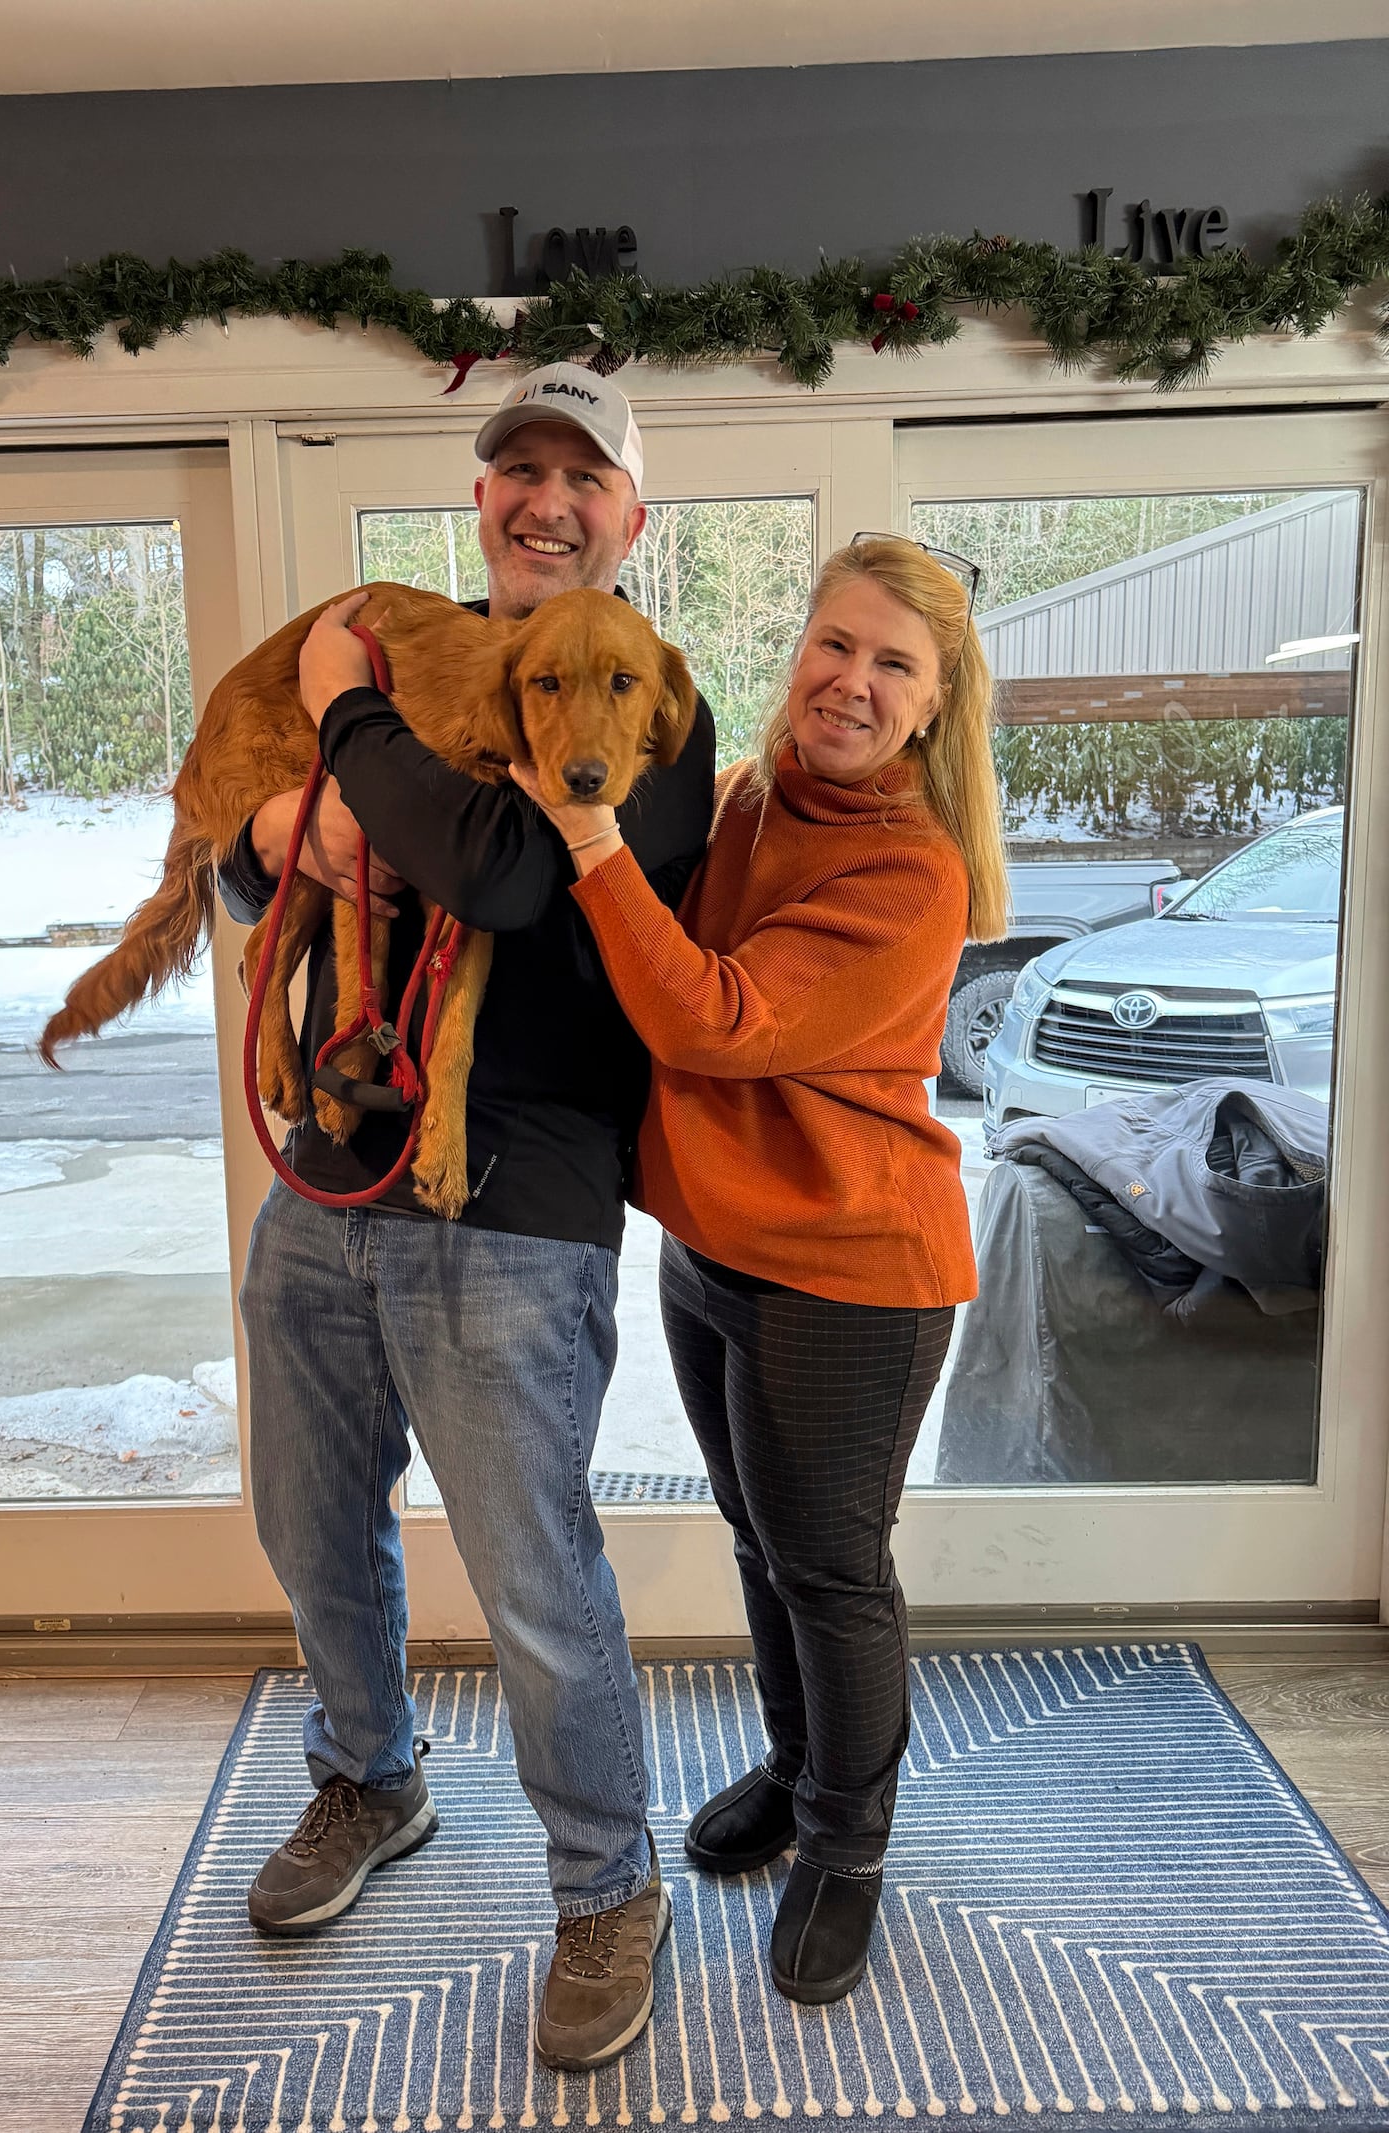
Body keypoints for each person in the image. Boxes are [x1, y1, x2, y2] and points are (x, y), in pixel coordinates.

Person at [215, 364, 716, 2071]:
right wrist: (281, 824)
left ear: (632, 519)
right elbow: (265, 863)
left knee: (531, 1572)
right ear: (483, 500)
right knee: (303, 1515)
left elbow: (501, 870)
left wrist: (343, 714)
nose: (547, 500)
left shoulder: (648, 694)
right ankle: (373, 1777)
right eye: (519, 471)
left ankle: (605, 1883)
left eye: (585, 476)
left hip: (518, 1200)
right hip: (333, 1161)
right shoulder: (451, 670)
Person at [511, 534, 1008, 2006]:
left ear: (933, 703)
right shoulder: (754, 795)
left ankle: (848, 1846)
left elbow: (715, 1017)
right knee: (756, 1536)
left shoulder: (910, 868)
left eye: (893, 664)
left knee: (833, 1570)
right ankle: (797, 1772)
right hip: (717, 1244)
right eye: (835, 643)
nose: (851, 681)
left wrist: (590, 840)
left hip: (851, 1268)